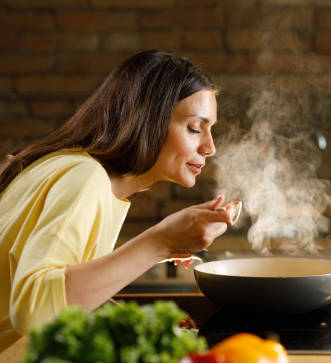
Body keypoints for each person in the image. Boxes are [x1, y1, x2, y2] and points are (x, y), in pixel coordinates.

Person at [0, 49, 232, 351]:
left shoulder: (81, 172)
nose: (210, 147)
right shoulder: (84, 178)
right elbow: (33, 312)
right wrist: (159, 242)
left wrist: (119, 314)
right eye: (194, 128)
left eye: (209, 130)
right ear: (149, 119)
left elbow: (55, 294)